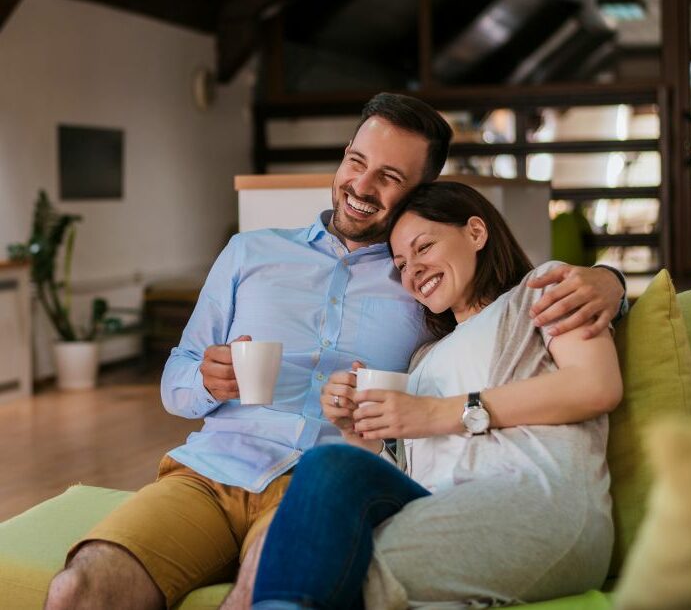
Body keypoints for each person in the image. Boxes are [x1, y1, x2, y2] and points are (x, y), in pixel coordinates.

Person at [45, 93, 627, 610]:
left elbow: (509, 327)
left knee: (260, 586)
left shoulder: (422, 296)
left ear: (418, 192)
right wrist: (208, 380)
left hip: (314, 489)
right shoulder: (251, 252)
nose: (362, 186)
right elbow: (176, 380)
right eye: (356, 161)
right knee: (80, 589)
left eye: (388, 177)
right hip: (211, 471)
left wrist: (612, 282)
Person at [238, 181, 622, 610]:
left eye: (423, 248)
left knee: (319, 563)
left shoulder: (539, 292)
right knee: (329, 464)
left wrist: (436, 413)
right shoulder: (423, 358)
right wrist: (359, 432)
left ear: (476, 233)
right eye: (401, 264)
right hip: (440, 507)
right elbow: (411, 474)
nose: (412, 271)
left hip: (538, 503)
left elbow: (595, 386)